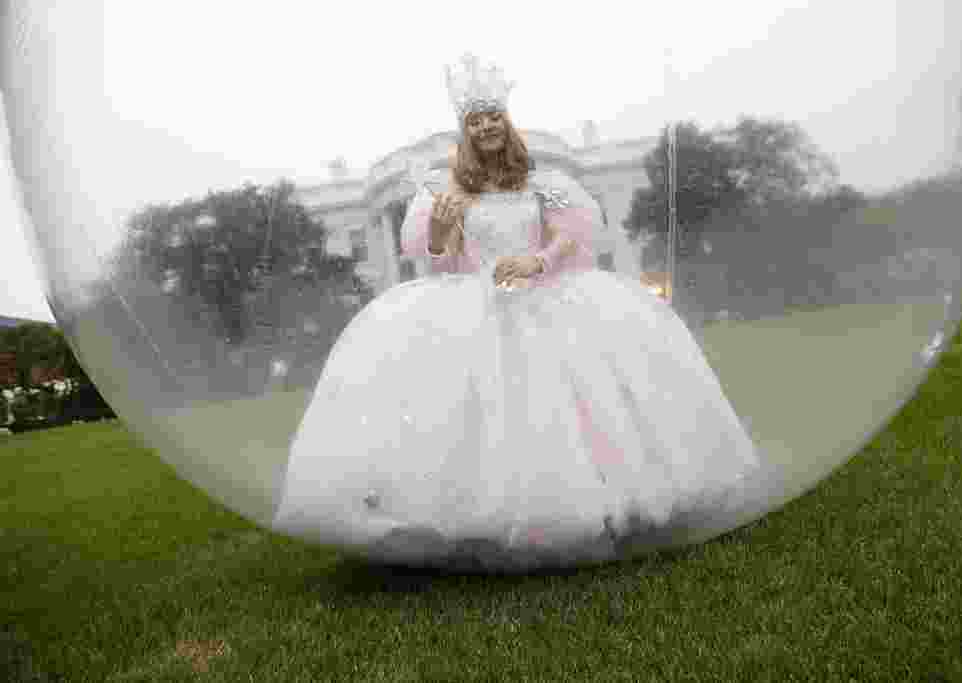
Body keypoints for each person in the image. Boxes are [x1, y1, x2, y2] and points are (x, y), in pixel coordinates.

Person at [272, 55, 760, 567]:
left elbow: (574, 236)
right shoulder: (448, 188)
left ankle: (610, 499)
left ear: (505, 125)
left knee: (579, 402)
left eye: (492, 119)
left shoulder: (542, 182)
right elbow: (435, 257)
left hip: (549, 295)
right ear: (464, 132)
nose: (485, 127)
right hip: (478, 303)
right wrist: (441, 226)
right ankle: (460, 515)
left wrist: (537, 260)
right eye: (474, 121)